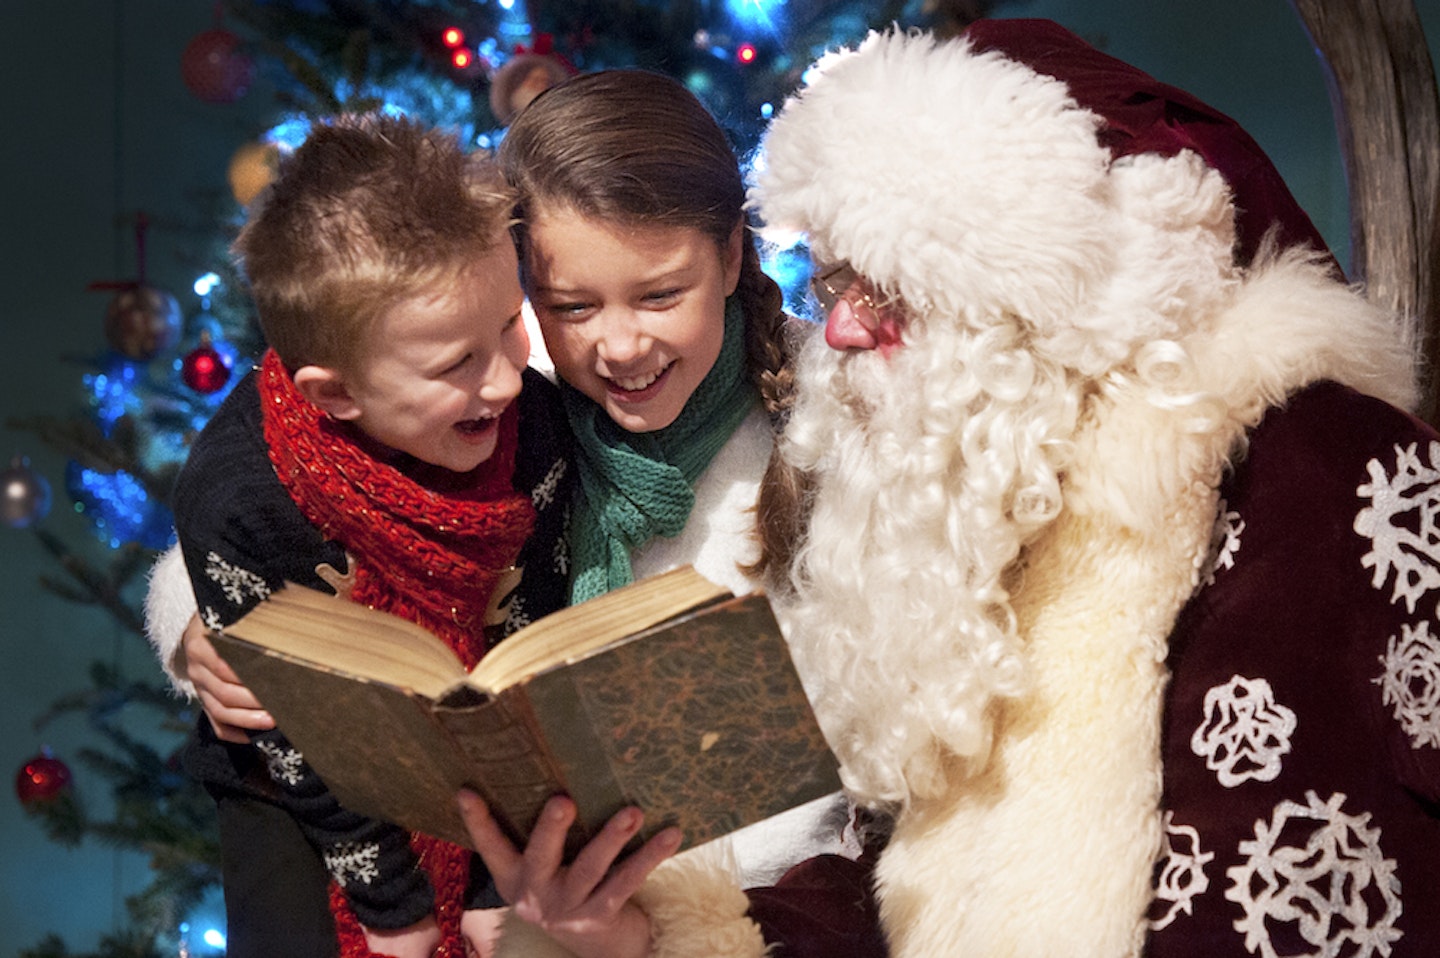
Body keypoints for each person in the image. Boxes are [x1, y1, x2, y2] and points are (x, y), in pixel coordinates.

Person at [741, 18, 1438, 958]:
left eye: (888, 292)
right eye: (835, 285)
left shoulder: (1319, 476)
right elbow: (887, 888)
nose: (841, 335)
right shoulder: (978, 498)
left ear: (1029, 304)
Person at [150, 71, 863, 957]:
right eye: (568, 307)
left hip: (732, 907)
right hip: (497, 870)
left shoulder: (834, 422)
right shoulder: (501, 389)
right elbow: (278, 497)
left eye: (660, 296)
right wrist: (206, 636)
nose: (620, 344)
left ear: (728, 257)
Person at [160, 113, 572, 958]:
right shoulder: (236, 501)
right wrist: (393, 905)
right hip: (295, 784)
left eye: (509, 323)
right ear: (337, 393)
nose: (505, 375)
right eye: (457, 362)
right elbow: (287, 723)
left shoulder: (534, 431)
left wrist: (497, 883)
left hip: (489, 770)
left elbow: (529, 641)